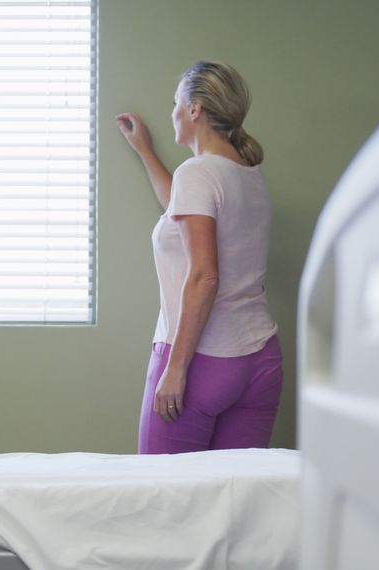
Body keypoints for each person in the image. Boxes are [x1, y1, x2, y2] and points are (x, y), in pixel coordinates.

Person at [116, 61, 282, 454]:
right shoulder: (249, 174)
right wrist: (145, 151)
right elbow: (182, 207)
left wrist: (175, 368)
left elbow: (205, 276)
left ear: (194, 109)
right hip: (259, 361)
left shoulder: (199, 173)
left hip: (201, 362)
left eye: (176, 103)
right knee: (233, 501)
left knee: (164, 502)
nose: (172, 111)